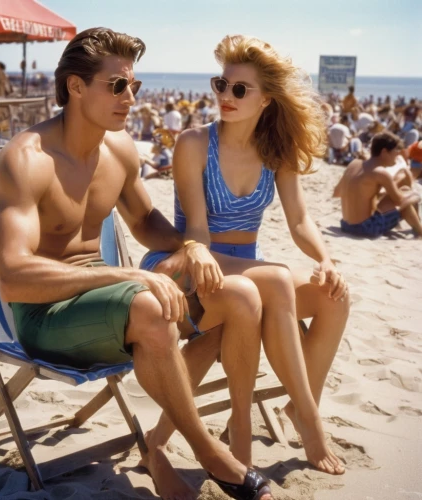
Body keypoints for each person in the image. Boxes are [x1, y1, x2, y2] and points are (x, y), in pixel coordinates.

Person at [0, 27, 274, 500]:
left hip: (106, 299)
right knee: (149, 305)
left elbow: (144, 221)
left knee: (237, 296)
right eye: (117, 86)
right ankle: (212, 456)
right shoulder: (26, 160)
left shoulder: (117, 150)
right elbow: (13, 278)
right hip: (44, 315)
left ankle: (155, 449)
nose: (129, 97)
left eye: (133, 86)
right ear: (76, 87)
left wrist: (196, 249)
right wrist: (126, 273)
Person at [140, 34, 346, 477]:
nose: (225, 97)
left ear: (266, 99)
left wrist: (326, 259)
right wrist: (202, 254)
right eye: (221, 84)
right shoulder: (194, 144)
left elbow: (299, 221)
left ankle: (299, 406)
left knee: (334, 295)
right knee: (271, 280)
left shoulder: (278, 152)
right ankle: (306, 425)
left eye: (239, 89)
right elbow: (194, 230)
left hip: (248, 268)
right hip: (192, 263)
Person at [334, 131, 422, 238]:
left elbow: (337, 192)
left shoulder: (354, 164)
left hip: (345, 224)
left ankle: (418, 226)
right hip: (365, 228)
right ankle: (420, 231)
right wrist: (414, 195)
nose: (398, 154)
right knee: (408, 197)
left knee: (404, 185)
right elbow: (399, 201)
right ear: (384, 152)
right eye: (396, 151)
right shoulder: (380, 172)